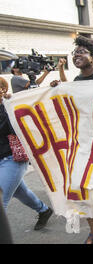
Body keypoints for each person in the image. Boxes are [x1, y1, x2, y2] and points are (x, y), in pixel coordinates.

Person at [51, 35, 93, 244]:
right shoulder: (77, 82)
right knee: (79, 184)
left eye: (81, 52)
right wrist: (57, 90)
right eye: (74, 53)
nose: (76, 56)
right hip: (84, 141)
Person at [0, 77, 54, 232]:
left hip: (12, 159)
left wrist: (11, 104)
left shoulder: (10, 107)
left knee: (1, 201)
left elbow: (23, 127)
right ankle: (43, 210)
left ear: (3, 90)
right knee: (19, 191)